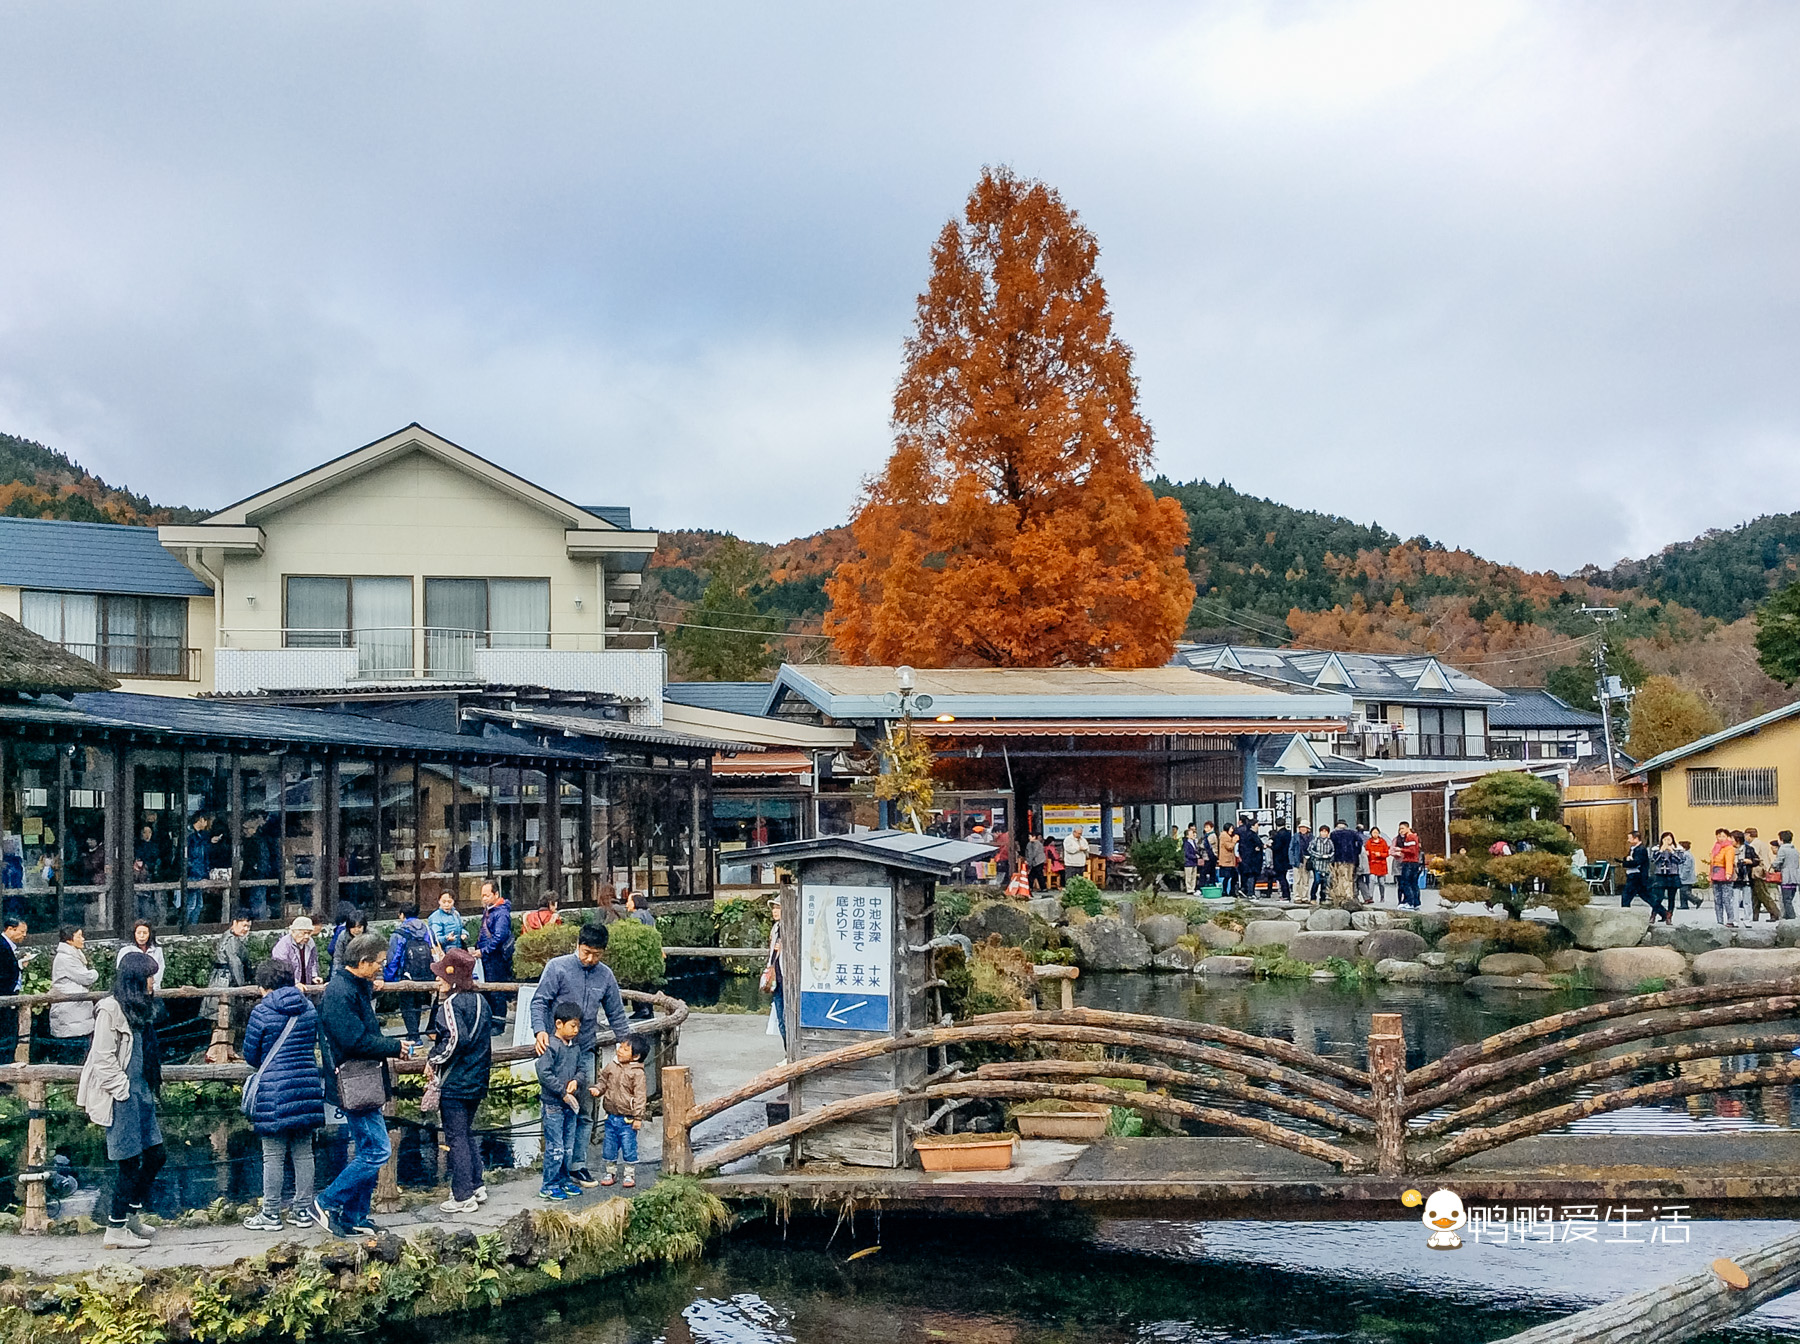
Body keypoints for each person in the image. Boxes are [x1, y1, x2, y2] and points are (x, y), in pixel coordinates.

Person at [314, 932, 415, 1238]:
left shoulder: (354, 987)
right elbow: (353, 1040)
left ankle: (355, 1215)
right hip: (354, 1082)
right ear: (362, 962)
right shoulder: (340, 992)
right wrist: (392, 1046)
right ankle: (326, 1200)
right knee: (378, 1150)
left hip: (362, 1081)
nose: (381, 968)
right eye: (379, 963)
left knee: (367, 1149)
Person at [531, 922, 634, 1189]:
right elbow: (540, 1001)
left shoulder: (605, 976)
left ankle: (578, 1165)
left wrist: (630, 1047)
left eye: (596, 955)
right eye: (586, 952)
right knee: (557, 1107)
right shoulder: (558, 967)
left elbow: (616, 1014)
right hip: (556, 1051)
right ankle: (557, 1170)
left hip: (584, 1050)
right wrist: (540, 1030)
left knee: (585, 1108)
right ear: (578, 945)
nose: (590, 959)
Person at [78, 951, 164, 1250]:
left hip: (142, 1091)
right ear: (136, 980)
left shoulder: (140, 1008)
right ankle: (115, 1229)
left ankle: (131, 1215)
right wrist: (122, 1090)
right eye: (149, 976)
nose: (154, 980)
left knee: (156, 1155)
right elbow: (101, 1057)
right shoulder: (110, 1010)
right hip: (123, 1095)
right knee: (128, 1162)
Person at [240, 958, 326, 1231]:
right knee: (304, 1153)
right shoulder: (308, 1008)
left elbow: (251, 1055)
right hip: (307, 1085)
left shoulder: (262, 1012)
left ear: (264, 985)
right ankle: (302, 1211)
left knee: (273, 1156)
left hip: (273, 1090)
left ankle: (271, 1213)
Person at [426, 948, 493, 1215]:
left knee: (456, 1137)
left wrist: (434, 1059)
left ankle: (462, 1195)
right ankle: (477, 1184)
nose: (438, 980)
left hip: (456, 1080)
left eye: (442, 976)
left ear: (453, 979)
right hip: (478, 1077)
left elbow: (456, 1039)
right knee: (466, 1133)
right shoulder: (481, 1001)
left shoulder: (451, 1004)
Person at [534, 1001, 586, 1201]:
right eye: (572, 1026)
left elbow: (582, 1069)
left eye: (578, 1026)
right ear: (558, 1024)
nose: (576, 1030)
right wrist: (562, 1091)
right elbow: (543, 1073)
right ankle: (549, 1184)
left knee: (567, 1146)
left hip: (570, 1105)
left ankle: (564, 1180)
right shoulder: (551, 1046)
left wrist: (576, 1081)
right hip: (554, 1105)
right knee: (555, 1147)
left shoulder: (575, 1047)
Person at [592, 1035, 646, 1188]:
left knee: (629, 1147)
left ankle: (629, 1173)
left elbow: (640, 1096)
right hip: (610, 1116)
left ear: (635, 1056)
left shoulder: (637, 1073)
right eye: (620, 1047)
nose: (620, 1051)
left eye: (625, 1049)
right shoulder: (612, 1066)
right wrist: (598, 1089)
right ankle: (610, 1172)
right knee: (609, 1146)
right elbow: (603, 1081)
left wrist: (638, 1117)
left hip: (627, 1119)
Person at [382, 903, 437, 1046]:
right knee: (418, 1003)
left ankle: (414, 1036)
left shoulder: (399, 933)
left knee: (407, 1005)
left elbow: (393, 958)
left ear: (402, 914)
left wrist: (390, 978)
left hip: (406, 974)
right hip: (425, 973)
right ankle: (415, 1033)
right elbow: (433, 950)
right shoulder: (426, 930)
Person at [49, 924, 98, 1065]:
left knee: (79, 1046)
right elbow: (86, 977)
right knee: (72, 1049)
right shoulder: (66, 958)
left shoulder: (71, 955)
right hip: (70, 1009)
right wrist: (95, 972)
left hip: (76, 1010)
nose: (82, 939)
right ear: (70, 939)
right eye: (79, 936)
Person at [201, 910, 253, 1028]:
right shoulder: (231, 939)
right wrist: (242, 987)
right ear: (235, 923)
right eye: (244, 925)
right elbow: (235, 964)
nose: (246, 929)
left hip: (226, 976)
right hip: (225, 979)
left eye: (248, 927)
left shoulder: (235, 937)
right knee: (223, 1014)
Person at [475, 882, 515, 1033]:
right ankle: (491, 1021)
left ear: (496, 894)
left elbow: (499, 936)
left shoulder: (501, 913)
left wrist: (484, 950)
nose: (484, 898)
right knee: (487, 989)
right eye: (483, 895)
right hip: (487, 955)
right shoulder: (490, 910)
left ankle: (498, 1024)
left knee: (497, 990)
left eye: (487, 895)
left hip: (496, 957)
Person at [184, 813, 222, 925]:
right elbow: (188, 856)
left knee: (198, 905)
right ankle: (185, 927)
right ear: (201, 820)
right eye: (206, 821)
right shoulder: (189, 835)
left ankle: (193, 927)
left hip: (200, 873)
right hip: (192, 873)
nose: (207, 824)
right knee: (191, 904)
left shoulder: (201, 836)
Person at [0, 911, 27, 1060]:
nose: (24, 935)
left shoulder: (7, 946)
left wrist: (19, 966)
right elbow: (4, 973)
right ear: (10, 929)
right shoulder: (2, 946)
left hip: (9, 996)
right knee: (5, 1035)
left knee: (9, 1035)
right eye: (21, 932)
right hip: (5, 997)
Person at [271, 915, 321, 987]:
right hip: (288, 986)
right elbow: (281, 969)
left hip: (306, 984)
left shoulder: (310, 942)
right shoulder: (283, 944)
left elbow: (313, 961)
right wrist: (295, 982)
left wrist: (314, 976)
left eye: (309, 933)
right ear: (293, 931)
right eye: (304, 933)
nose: (307, 936)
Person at [118, 919, 166, 993]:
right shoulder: (126, 951)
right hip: (132, 992)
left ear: (150, 934)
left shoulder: (157, 950)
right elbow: (122, 973)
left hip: (154, 991)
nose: (141, 936)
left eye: (145, 933)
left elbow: (160, 971)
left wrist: (152, 989)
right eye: (139, 933)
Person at [1746, 829, 1782, 922]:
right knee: (1756, 895)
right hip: (1763, 871)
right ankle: (1755, 915)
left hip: (1757, 872)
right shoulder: (1762, 843)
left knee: (1763, 894)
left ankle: (1775, 912)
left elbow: (1755, 858)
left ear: (1748, 835)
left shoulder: (1754, 845)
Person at [1328, 821, 1363, 907]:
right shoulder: (1352, 833)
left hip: (1338, 859)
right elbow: (1360, 843)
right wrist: (1355, 852)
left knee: (1340, 877)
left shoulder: (1333, 834)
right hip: (1351, 858)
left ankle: (1341, 895)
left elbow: (1330, 846)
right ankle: (1349, 895)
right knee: (1349, 878)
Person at [1394, 823, 1424, 909]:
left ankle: (1409, 902)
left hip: (1409, 862)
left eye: (1402, 828)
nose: (1401, 831)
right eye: (1400, 829)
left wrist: (1401, 850)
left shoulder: (1410, 837)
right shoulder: (1414, 837)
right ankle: (1416, 902)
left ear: (1408, 828)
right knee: (1414, 883)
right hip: (1414, 862)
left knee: (1406, 882)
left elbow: (1412, 850)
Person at [1714, 829, 1739, 927]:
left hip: (1725, 875)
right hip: (1716, 874)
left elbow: (1729, 861)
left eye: (1723, 836)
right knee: (1717, 899)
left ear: (1727, 837)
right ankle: (1719, 920)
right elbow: (1712, 862)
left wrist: (1728, 873)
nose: (1721, 838)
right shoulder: (1716, 847)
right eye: (1719, 836)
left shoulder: (1729, 848)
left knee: (1726, 899)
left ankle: (1730, 919)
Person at [1620, 832, 1650, 909]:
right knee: (1646, 896)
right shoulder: (1634, 849)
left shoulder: (1641, 849)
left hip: (1636, 875)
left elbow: (1637, 862)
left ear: (1636, 838)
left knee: (1626, 896)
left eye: (1630, 838)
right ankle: (1663, 912)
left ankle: (1625, 913)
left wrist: (1625, 863)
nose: (1628, 840)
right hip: (1634, 875)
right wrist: (1626, 859)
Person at [1235, 818, 1264, 896]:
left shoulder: (1245, 834)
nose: (1258, 826)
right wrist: (1259, 847)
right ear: (1252, 826)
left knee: (1247, 875)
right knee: (1252, 875)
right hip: (1252, 859)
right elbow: (1259, 844)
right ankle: (1250, 893)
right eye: (1257, 825)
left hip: (1245, 858)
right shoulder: (1252, 835)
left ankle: (1244, 890)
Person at [1269, 817, 1294, 900]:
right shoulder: (1288, 833)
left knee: (1281, 877)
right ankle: (1286, 894)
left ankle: (1286, 895)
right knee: (1283, 876)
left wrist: (1270, 846)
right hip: (1287, 858)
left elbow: (1277, 847)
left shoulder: (1279, 835)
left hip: (1279, 859)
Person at [1307, 825, 1333, 902]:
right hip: (1317, 864)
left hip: (1326, 865)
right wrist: (1319, 856)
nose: (1323, 833)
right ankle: (1313, 897)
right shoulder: (1315, 840)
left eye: (1325, 832)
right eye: (1322, 831)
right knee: (1317, 881)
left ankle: (1323, 898)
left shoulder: (1330, 842)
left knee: (1325, 882)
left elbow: (1333, 851)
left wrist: (1328, 856)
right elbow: (1310, 850)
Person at [1216, 823, 1239, 898]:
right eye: (1231, 828)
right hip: (1226, 861)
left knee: (1233, 876)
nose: (1232, 830)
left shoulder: (1228, 836)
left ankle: (1231, 891)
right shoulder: (1224, 836)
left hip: (1230, 861)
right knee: (1227, 876)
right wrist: (1234, 840)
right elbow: (1229, 847)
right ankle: (1225, 891)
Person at [1678, 839, 1699, 910]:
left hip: (1686, 877)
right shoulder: (1687, 854)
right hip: (1687, 877)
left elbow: (1687, 867)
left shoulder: (1686, 855)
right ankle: (1684, 905)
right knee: (1684, 891)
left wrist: (1682, 876)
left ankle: (1696, 900)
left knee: (1684, 891)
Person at [1181, 825, 1200, 895]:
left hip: (1194, 862)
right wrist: (1195, 856)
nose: (1193, 835)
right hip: (1188, 862)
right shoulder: (1186, 843)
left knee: (1193, 876)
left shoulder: (1194, 842)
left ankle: (1193, 888)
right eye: (1191, 834)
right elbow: (1187, 853)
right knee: (1188, 876)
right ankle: (1189, 889)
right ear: (1187, 836)